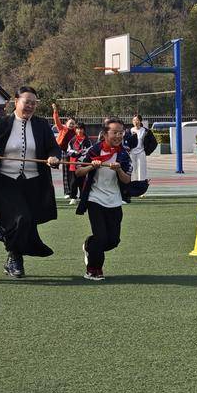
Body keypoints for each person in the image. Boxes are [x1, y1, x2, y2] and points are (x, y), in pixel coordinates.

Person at [0, 86, 60, 279]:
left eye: (33, 103)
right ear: (16, 102)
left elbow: (54, 148)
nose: (30, 106)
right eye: (26, 102)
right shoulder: (3, 123)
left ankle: (9, 249)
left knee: (28, 221)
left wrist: (53, 157)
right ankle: (15, 257)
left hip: (33, 182)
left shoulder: (41, 125)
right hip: (7, 181)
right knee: (21, 218)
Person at [74, 118, 133, 281]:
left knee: (112, 240)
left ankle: (89, 245)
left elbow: (127, 179)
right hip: (95, 199)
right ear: (105, 134)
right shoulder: (94, 150)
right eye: (115, 132)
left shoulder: (124, 154)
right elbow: (78, 172)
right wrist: (91, 166)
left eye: (121, 133)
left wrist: (119, 170)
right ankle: (93, 269)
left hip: (115, 201)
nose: (118, 136)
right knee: (100, 237)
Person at [123, 114, 157, 183]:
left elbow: (154, 142)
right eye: (134, 120)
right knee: (132, 170)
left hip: (141, 153)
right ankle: (132, 184)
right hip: (131, 154)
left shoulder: (145, 131)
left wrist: (147, 151)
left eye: (137, 120)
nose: (135, 122)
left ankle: (141, 185)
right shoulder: (129, 131)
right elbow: (125, 142)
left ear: (140, 121)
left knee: (141, 171)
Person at [51, 102, 76, 196]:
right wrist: (55, 110)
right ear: (66, 123)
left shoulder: (75, 132)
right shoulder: (62, 129)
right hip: (59, 150)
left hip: (68, 152)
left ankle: (69, 191)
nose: (71, 125)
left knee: (68, 171)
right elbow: (56, 120)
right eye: (70, 123)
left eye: (73, 124)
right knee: (56, 166)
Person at [65, 122, 92, 205]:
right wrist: (75, 152)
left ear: (84, 130)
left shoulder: (87, 141)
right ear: (75, 130)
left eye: (81, 129)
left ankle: (82, 197)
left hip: (83, 166)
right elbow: (68, 151)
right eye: (77, 129)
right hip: (73, 165)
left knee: (82, 182)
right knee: (73, 182)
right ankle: (73, 197)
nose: (79, 131)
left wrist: (83, 152)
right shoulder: (72, 140)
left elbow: (90, 151)